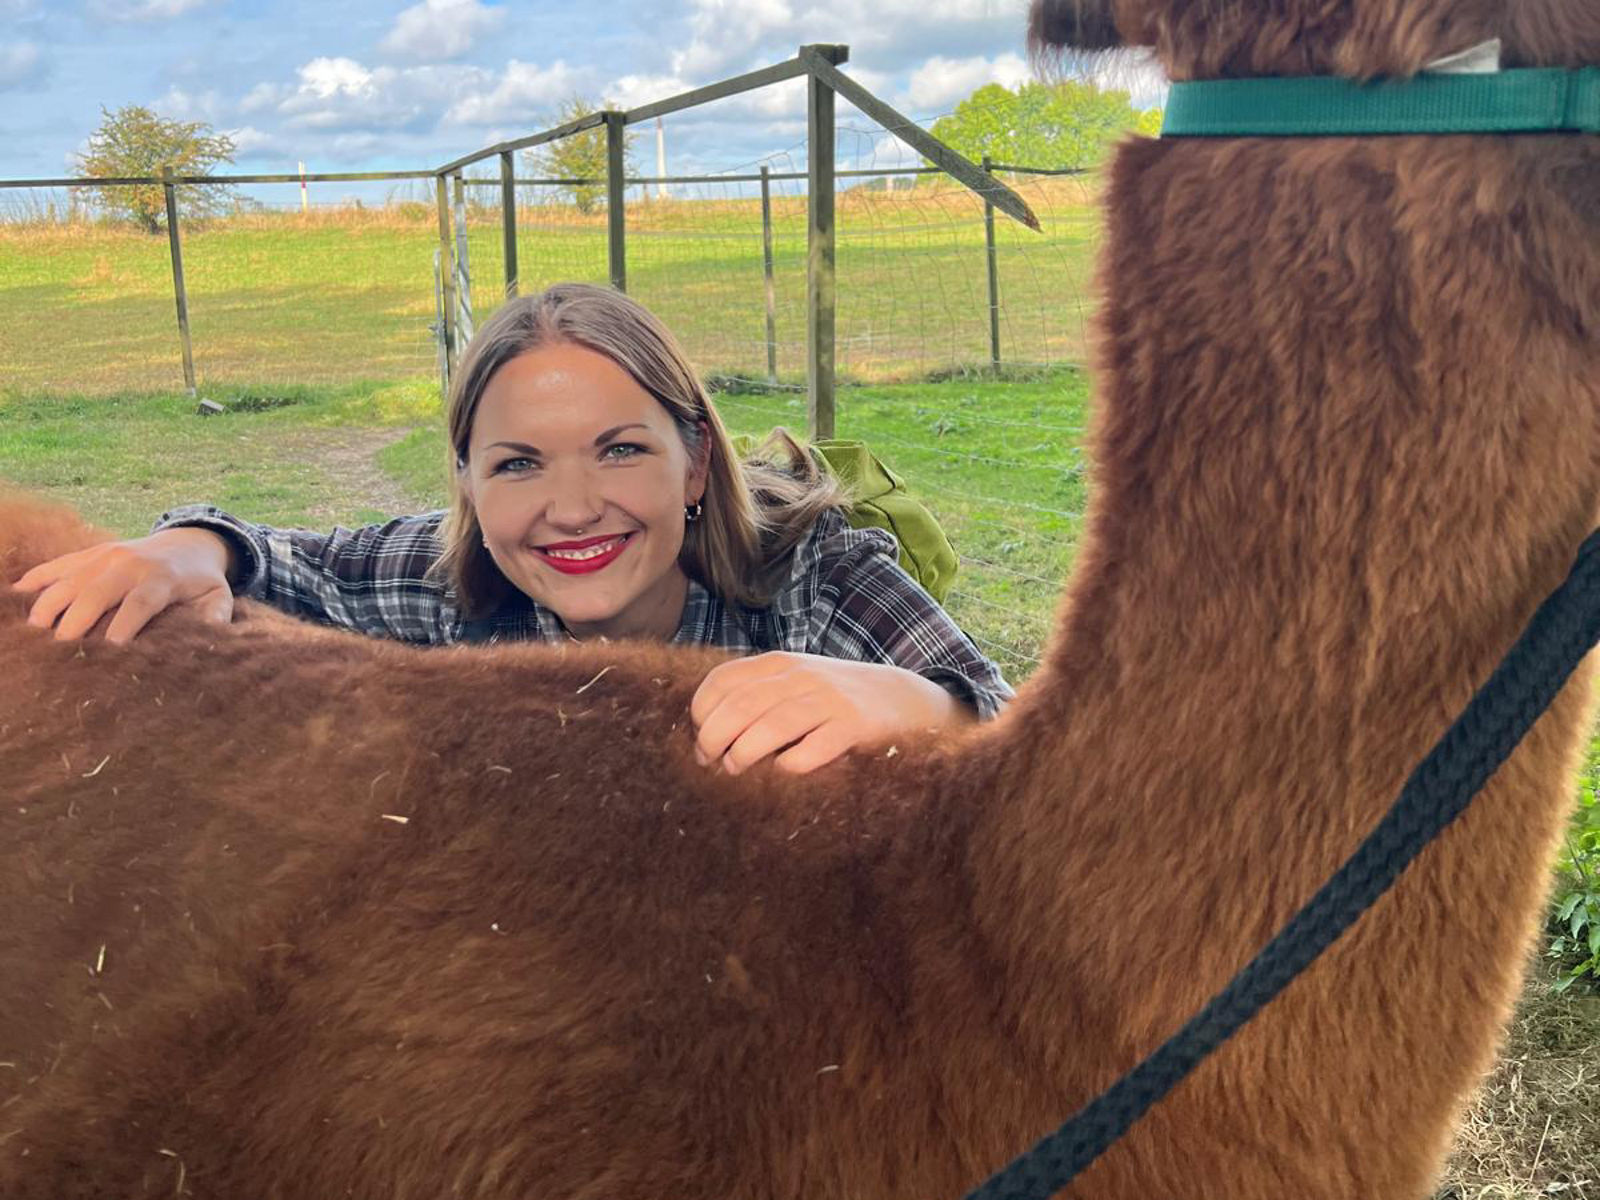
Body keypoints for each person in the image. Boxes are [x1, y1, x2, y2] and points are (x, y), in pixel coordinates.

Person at [14, 283, 1013, 775]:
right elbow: (282, 559)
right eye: (518, 465)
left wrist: (917, 705)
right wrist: (187, 548)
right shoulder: (455, 579)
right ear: (467, 486)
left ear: (698, 458)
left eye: (620, 449)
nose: (572, 507)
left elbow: (1007, 726)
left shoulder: (813, 574)